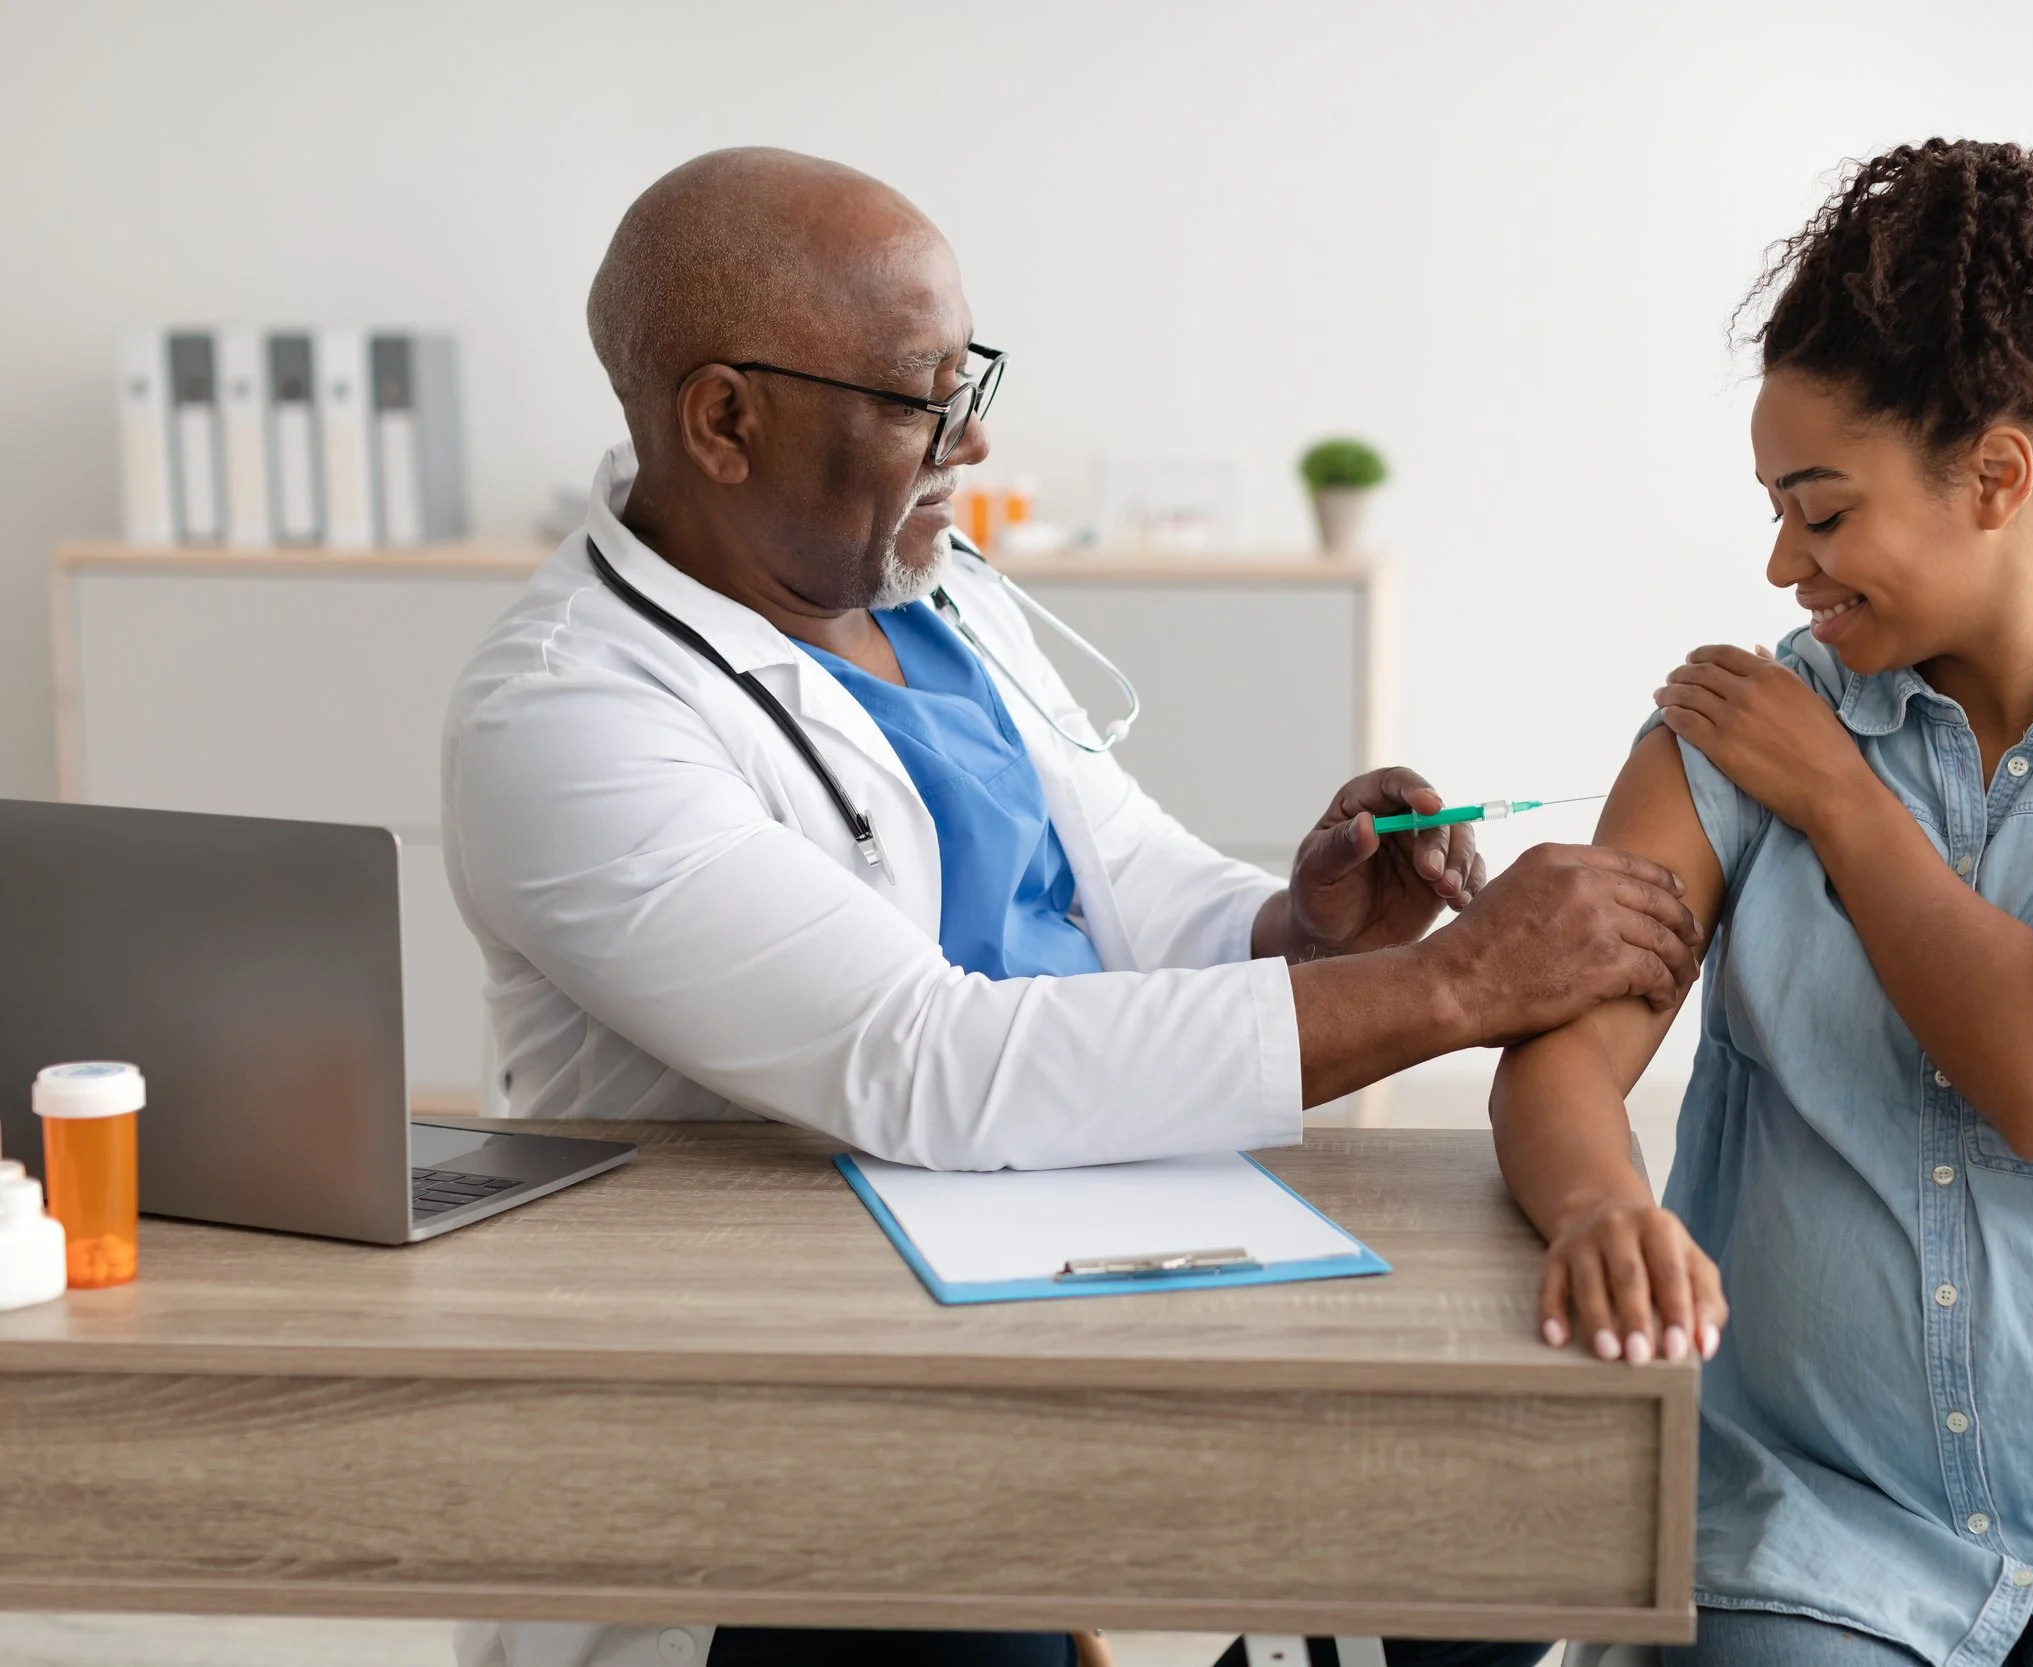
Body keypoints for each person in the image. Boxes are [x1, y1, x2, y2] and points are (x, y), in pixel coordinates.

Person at [441, 149, 1658, 1667]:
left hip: (1070, 1240)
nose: (976, 433)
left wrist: (1304, 925)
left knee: (1476, 1534)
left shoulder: (939, 598)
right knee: (973, 1607)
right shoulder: (566, 718)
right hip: (790, 1371)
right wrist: (1460, 989)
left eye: (972, 377)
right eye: (919, 395)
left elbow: (1128, 887)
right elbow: (930, 1062)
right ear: (723, 419)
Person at [1490, 141, 2033, 1666]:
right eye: (1776, 509)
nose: (1783, 562)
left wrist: (1838, 795)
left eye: (1822, 513)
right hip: (1821, 1531)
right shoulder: (1736, 729)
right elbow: (1565, 1052)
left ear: (1999, 476)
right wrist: (1600, 1207)